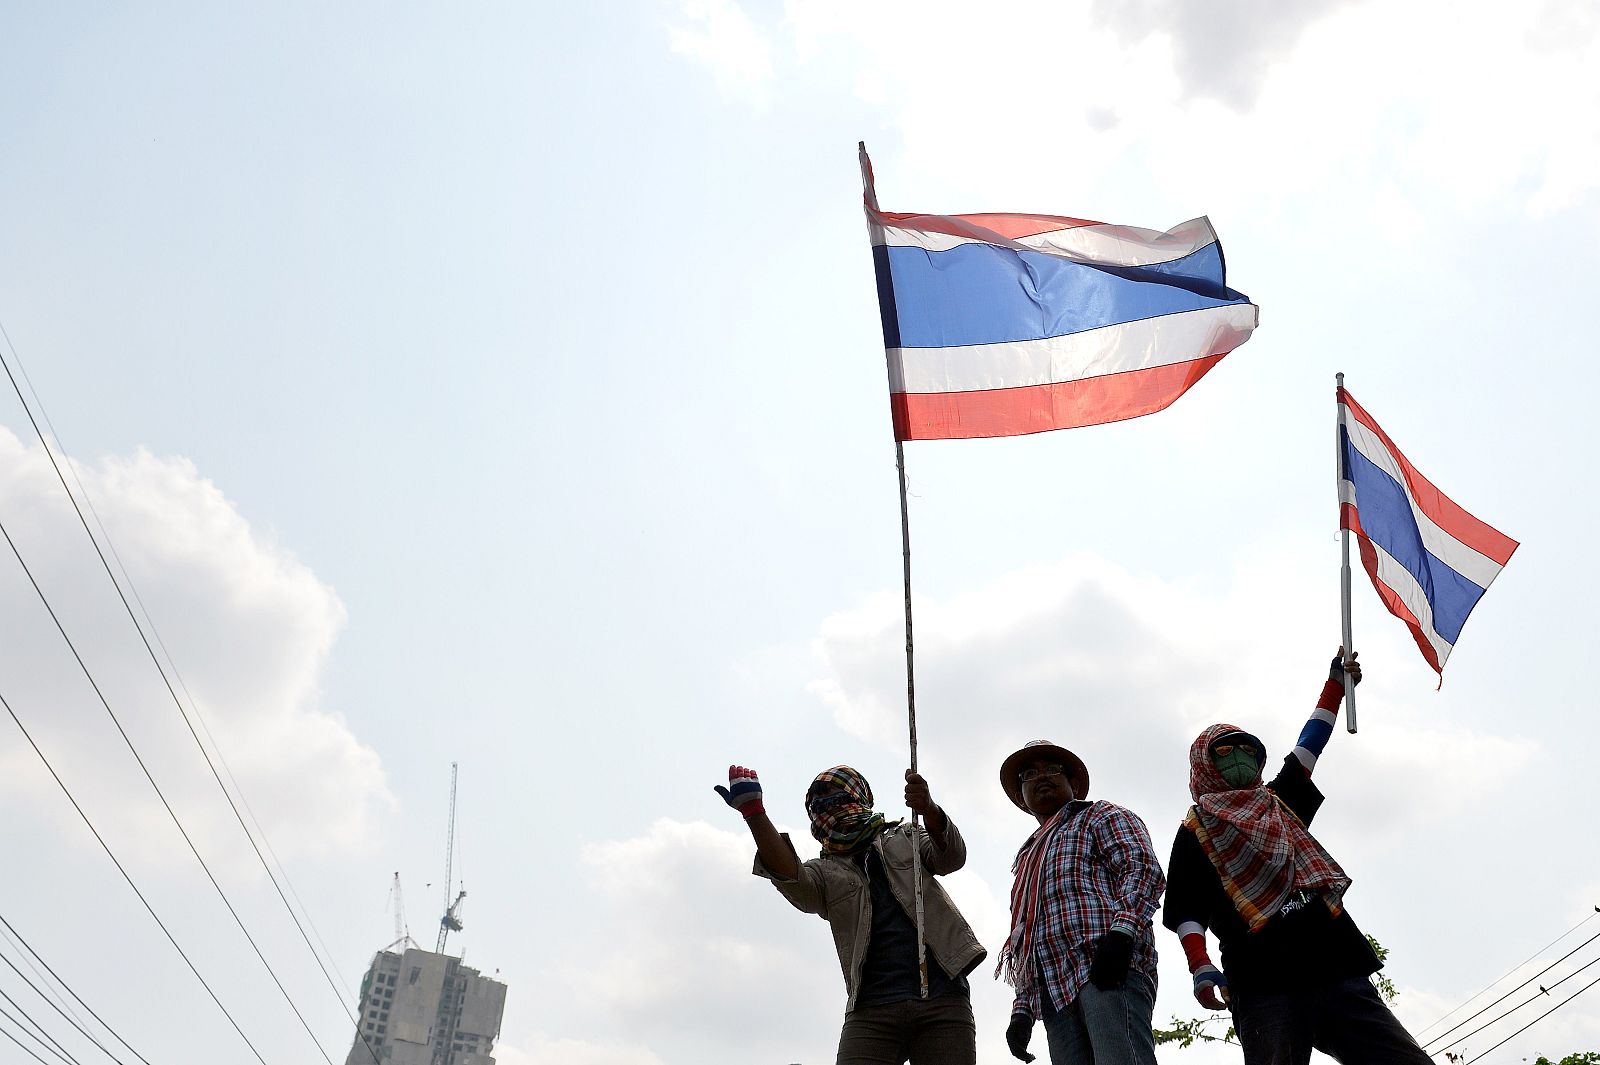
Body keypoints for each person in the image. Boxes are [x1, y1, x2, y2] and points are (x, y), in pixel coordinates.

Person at [1162, 650, 1432, 1065]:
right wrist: (1200, 965)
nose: (1239, 758)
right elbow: (1187, 910)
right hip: (1262, 980)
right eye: (1225, 751)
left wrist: (1335, 686)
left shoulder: (1279, 802)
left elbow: (1310, 745)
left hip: (1334, 963)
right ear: (1203, 763)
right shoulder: (1195, 831)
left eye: (1248, 750)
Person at [715, 763, 986, 1065]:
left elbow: (951, 858)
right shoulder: (824, 871)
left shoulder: (906, 836)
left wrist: (929, 809)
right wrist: (754, 814)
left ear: (859, 797)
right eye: (819, 805)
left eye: (837, 798)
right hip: (871, 1008)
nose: (828, 808)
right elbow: (794, 881)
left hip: (942, 998)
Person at [996, 740, 1166, 1065]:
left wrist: (1121, 935)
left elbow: (1141, 868)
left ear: (1073, 784)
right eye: (1029, 774)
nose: (1041, 777)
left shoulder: (1099, 815)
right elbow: (1027, 933)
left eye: (1052, 769)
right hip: (1055, 993)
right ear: (1022, 796)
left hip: (1106, 968)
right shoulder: (1028, 857)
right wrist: (1022, 1009)